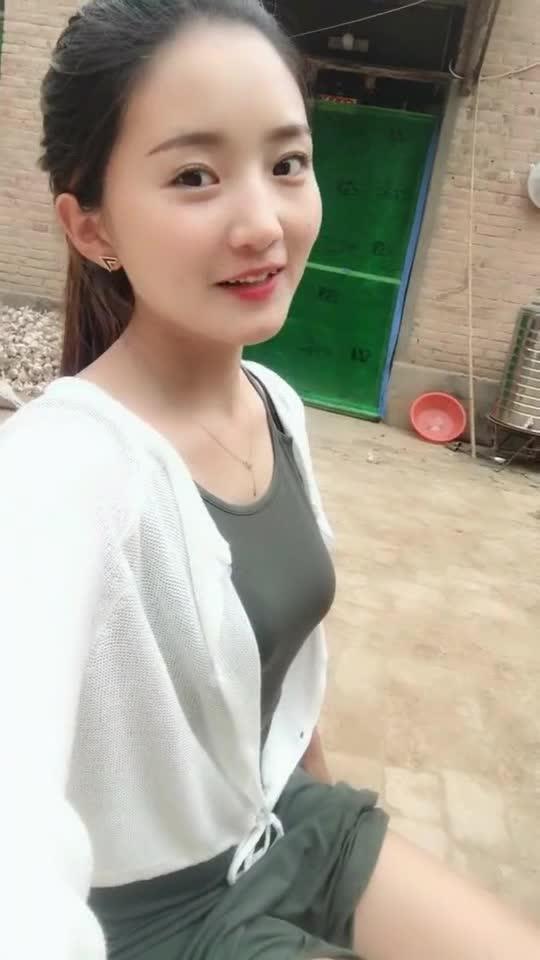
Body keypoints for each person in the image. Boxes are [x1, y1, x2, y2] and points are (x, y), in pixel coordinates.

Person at [0, 2, 538, 958]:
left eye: (287, 162)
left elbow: (280, 671)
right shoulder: (58, 471)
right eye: (195, 176)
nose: (263, 223)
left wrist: (314, 798)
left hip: (286, 821)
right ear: (91, 227)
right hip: (162, 919)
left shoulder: (274, 404)